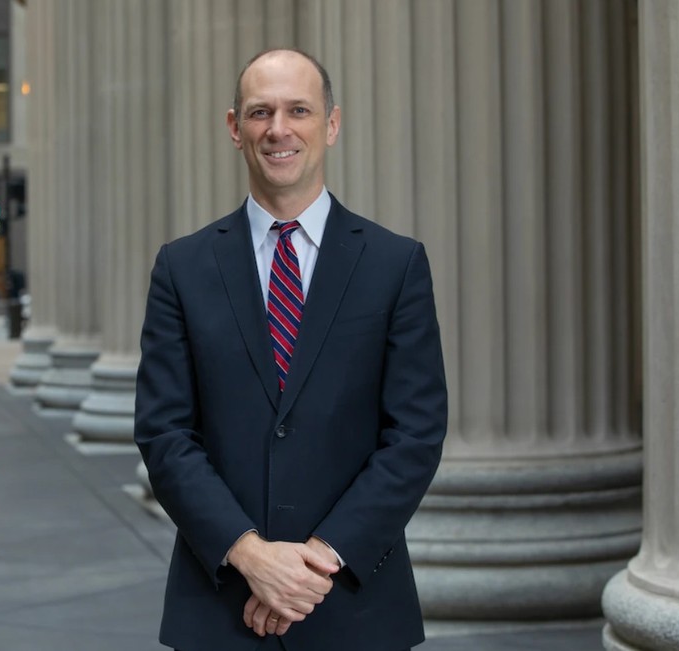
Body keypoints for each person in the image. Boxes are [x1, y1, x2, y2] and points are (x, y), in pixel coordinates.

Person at [134, 48, 447, 651]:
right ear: (235, 128)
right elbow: (164, 434)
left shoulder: (395, 264)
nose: (279, 129)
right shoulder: (183, 267)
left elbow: (415, 434)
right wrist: (251, 556)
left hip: (355, 603)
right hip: (221, 606)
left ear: (330, 124)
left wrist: (315, 564)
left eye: (298, 110)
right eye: (260, 112)